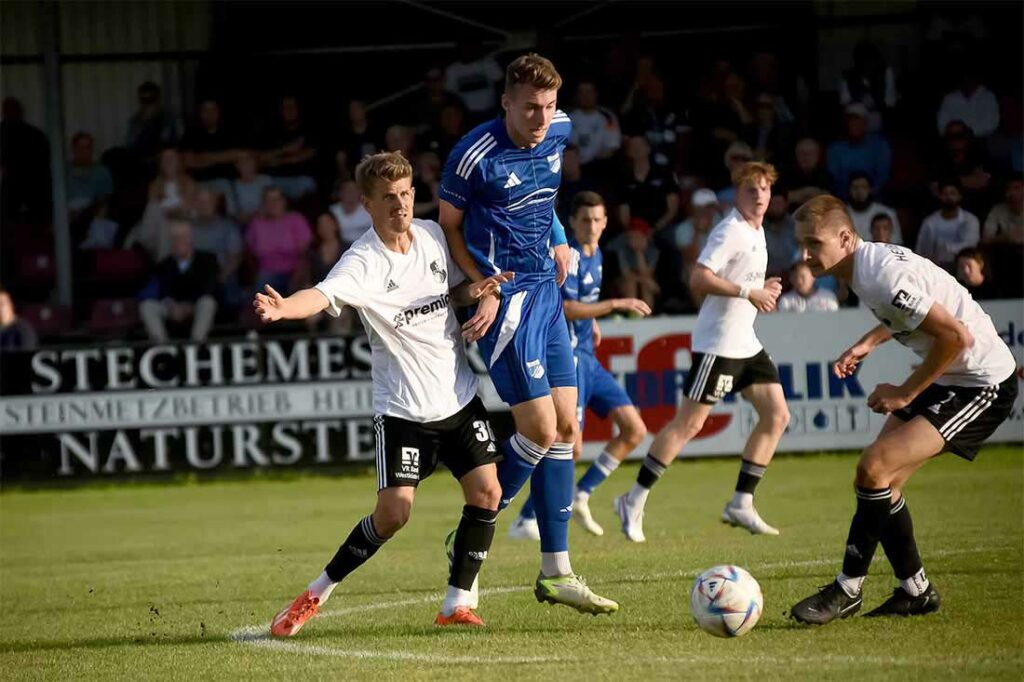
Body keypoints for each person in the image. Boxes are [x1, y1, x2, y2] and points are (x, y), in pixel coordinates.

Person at [259, 152, 512, 634]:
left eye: (406, 194)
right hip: (403, 412)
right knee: (394, 514)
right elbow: (322, 294)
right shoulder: (363, 262)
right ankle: (316, 592)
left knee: (488, 491)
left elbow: (452, 293)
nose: (400, 205)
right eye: (388, 198)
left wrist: (477, 292)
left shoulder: (435, 237)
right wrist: (285, 309)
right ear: (367, 204)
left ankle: (455, 603)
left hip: (458, 400)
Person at [439, 53, 619, 614]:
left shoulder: (560, 129)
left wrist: (562, 235)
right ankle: (473, 529)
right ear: (506, 104)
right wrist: (481, 285)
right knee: (539, 428)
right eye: (530, 107)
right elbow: (448, 227)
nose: (541, 117)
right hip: (507, 297)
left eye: (548, 106)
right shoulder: (473, 154)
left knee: (567, 425)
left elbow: (545, 200)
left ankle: (556, 571)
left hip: (548, 292)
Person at [789, 194, 1016, 624]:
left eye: (813, 244)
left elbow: (955, 338)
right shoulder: (867, 266)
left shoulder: (879, 275)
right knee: (880, 480)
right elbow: (910, 313)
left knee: (874, 467)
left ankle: (847, 588)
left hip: (983, 383)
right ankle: (915, 590)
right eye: (802, 244)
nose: (805, 254)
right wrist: (868, 342)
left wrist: (905, 392)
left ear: (843, 237)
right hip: (953, 375)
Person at [612, 162, 789, 542]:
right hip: (719, 344)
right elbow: (699, 277)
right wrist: (748, 292)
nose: (759, 196)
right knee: (688, 425)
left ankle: (741, 502)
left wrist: (761, 286)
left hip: (747, 343)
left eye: (764, 189)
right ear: (736, 194)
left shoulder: (757, 233)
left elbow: (743, 281)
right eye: (750, 189)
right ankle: (633, 498)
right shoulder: (730, 230)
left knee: (776, 417)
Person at [508, 191, 651, 538]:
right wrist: (614, 304)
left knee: (634, 430)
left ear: (605, 222)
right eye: (584, 219)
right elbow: (567, 308)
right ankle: (526, 519)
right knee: (567, 444)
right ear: (572, 222)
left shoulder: (597, 253)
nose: (591, 226)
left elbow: (581, 306)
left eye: (597, 219)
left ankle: (582, 493)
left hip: (589, 358)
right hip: (568, 359)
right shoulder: (568, 255)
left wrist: (595, 322)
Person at [138, 220, 219, 343]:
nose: (177, 242)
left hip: (196, 305)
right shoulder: (165, 264)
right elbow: (164, 290)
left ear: (190, 239)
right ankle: (162, 347)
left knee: (208, 303)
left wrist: (189, 306)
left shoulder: (208, 260)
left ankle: (196, 345)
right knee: (147, 306)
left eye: (181, 237)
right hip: (173, 308)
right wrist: (172, 306)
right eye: (174, 238)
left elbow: (210, 287)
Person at [246, 186, 313, 295]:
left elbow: (304, 254)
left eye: (276, 199)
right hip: (267, 272)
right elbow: (249, 254)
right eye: (268, 200)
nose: (272, 204)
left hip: (294, 271)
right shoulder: (257, 224)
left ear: (284, 201)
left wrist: (297, 277)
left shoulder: (296, 220)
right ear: (263, 204)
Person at [826, 103, 891, 199]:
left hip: (873, 200)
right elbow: (835, 179)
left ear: (865, 123)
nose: (853, 124)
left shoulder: (880, 146)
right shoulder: (834, 148)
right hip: (844, 200)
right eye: (850, 121)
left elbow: (882, 177)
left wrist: (866, 195)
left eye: (857, 120)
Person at [915, 178, 980, 272]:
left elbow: (971, 246)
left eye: (953, 193)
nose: (949, 197)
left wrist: (945, 249)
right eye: (945, 194)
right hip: (936, 270)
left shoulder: (970, 220)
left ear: (959, 196)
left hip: (964, 268)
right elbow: (921, 252)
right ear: (940, 196)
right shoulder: (930, 222)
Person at [846, 173, 903, 244]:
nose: (859, 191)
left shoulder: (887, 212)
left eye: (864, 187)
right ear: (849, 190)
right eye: (855, 187)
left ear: (870, 190)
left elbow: (897, 242)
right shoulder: (842, 213)